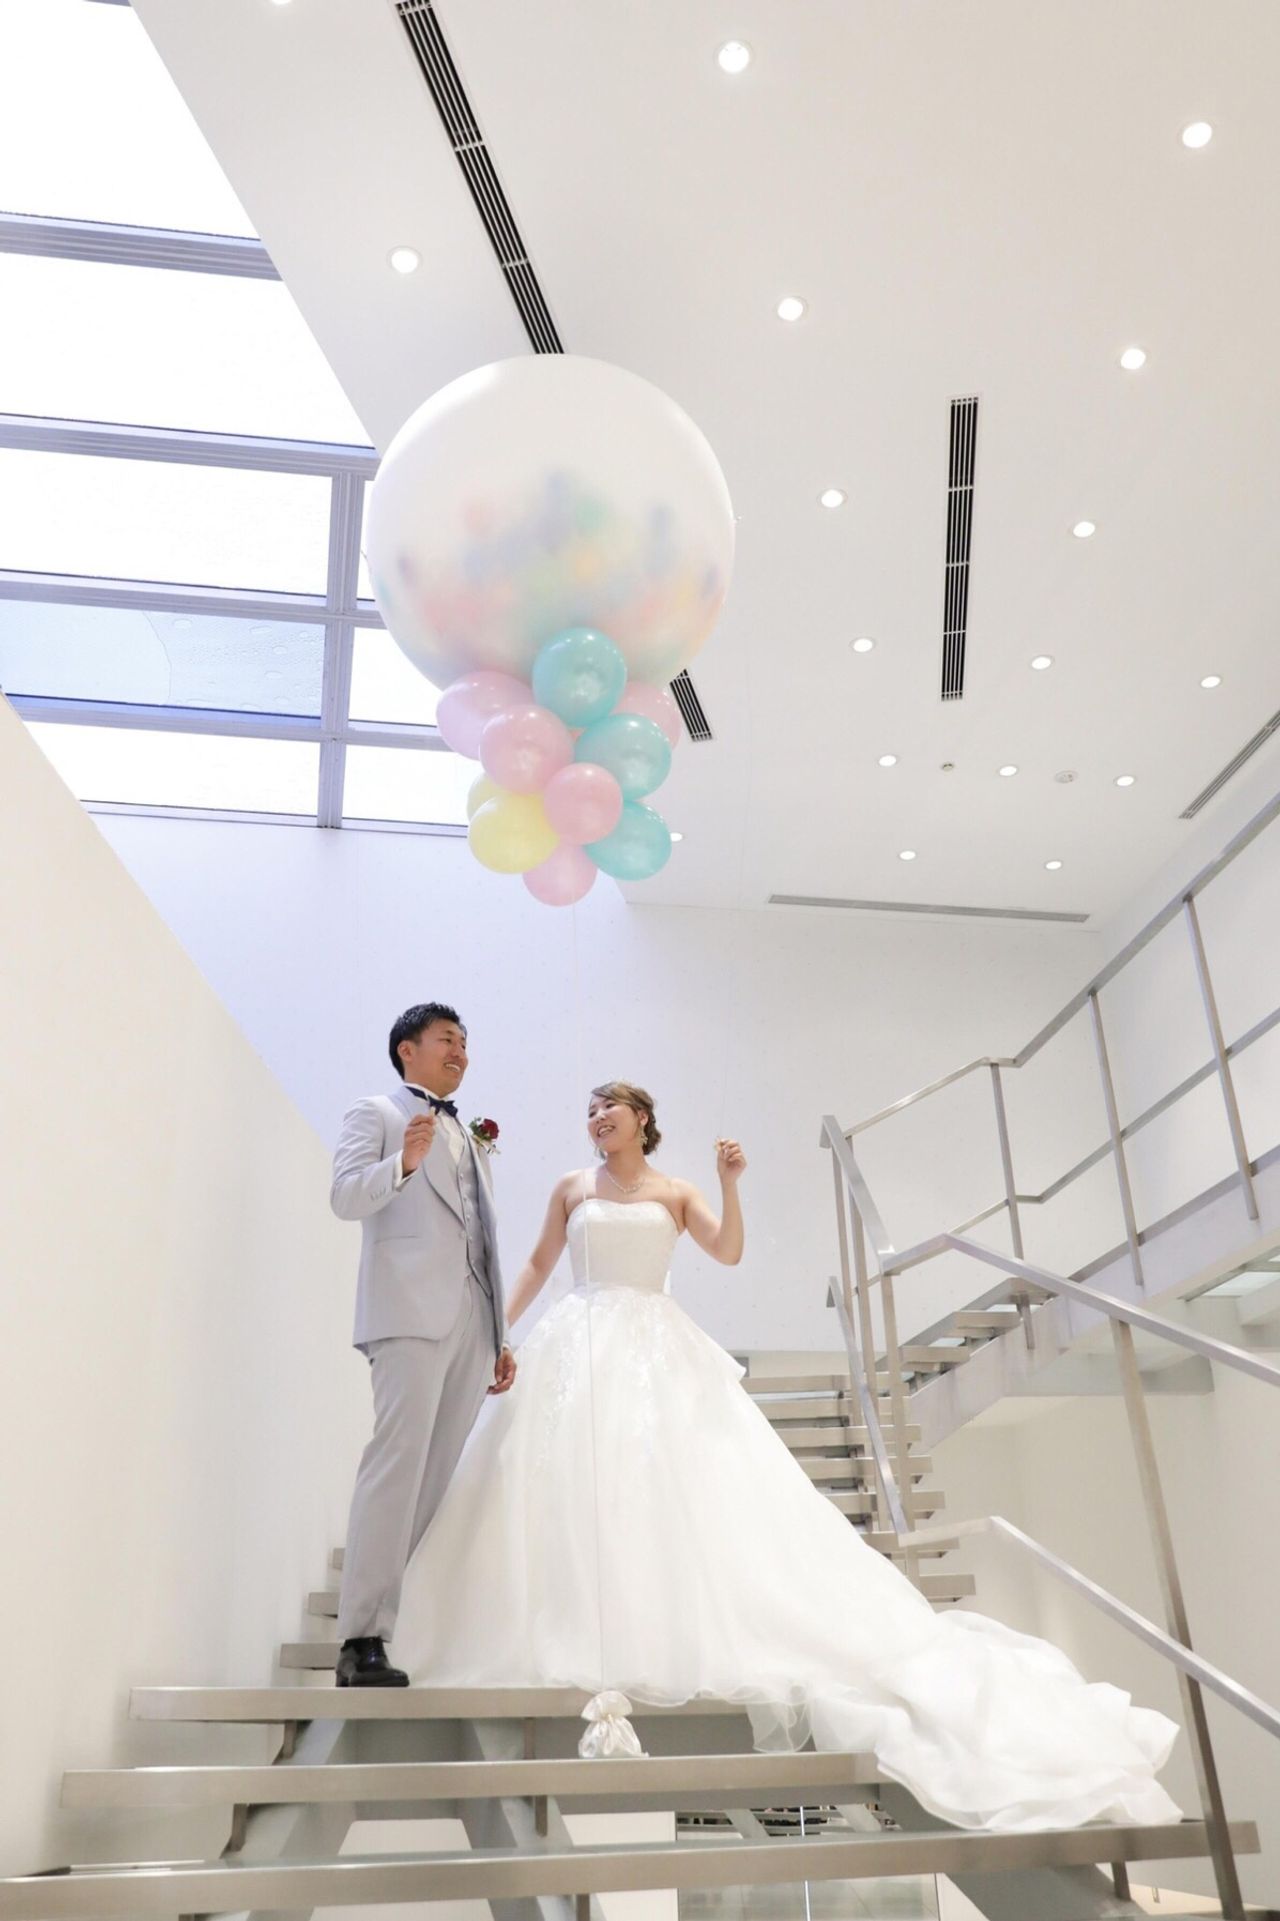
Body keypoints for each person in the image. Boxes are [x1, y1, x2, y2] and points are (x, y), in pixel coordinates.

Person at [390, 1079, 1181, 1831]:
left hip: (656, 1344)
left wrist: (730, 1184)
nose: (597, 1116)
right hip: (580, 1338)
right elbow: (537, 1263)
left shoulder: (675, 1191)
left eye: (611, 1106)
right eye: (591, 1108)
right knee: (567, 1486)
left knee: (670, 1489)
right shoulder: (572, 1187)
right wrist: (501, 1330)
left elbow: (727, 1250)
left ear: (641, 1120)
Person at [328, 1002, 515, 1687]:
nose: (460, 1050)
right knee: (396, 1468)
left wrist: (499, 1331)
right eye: (446, 1039)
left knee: (438, 1481)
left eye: (464, 1041)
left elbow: (482, 1236)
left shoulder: (470, 1135)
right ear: (407, 1049)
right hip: (407, 1313)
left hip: (472, 1324)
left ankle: (403, 1625)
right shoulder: (375, 1113)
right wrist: (402, 1165)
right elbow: (345, 1197)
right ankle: (360, 1638)